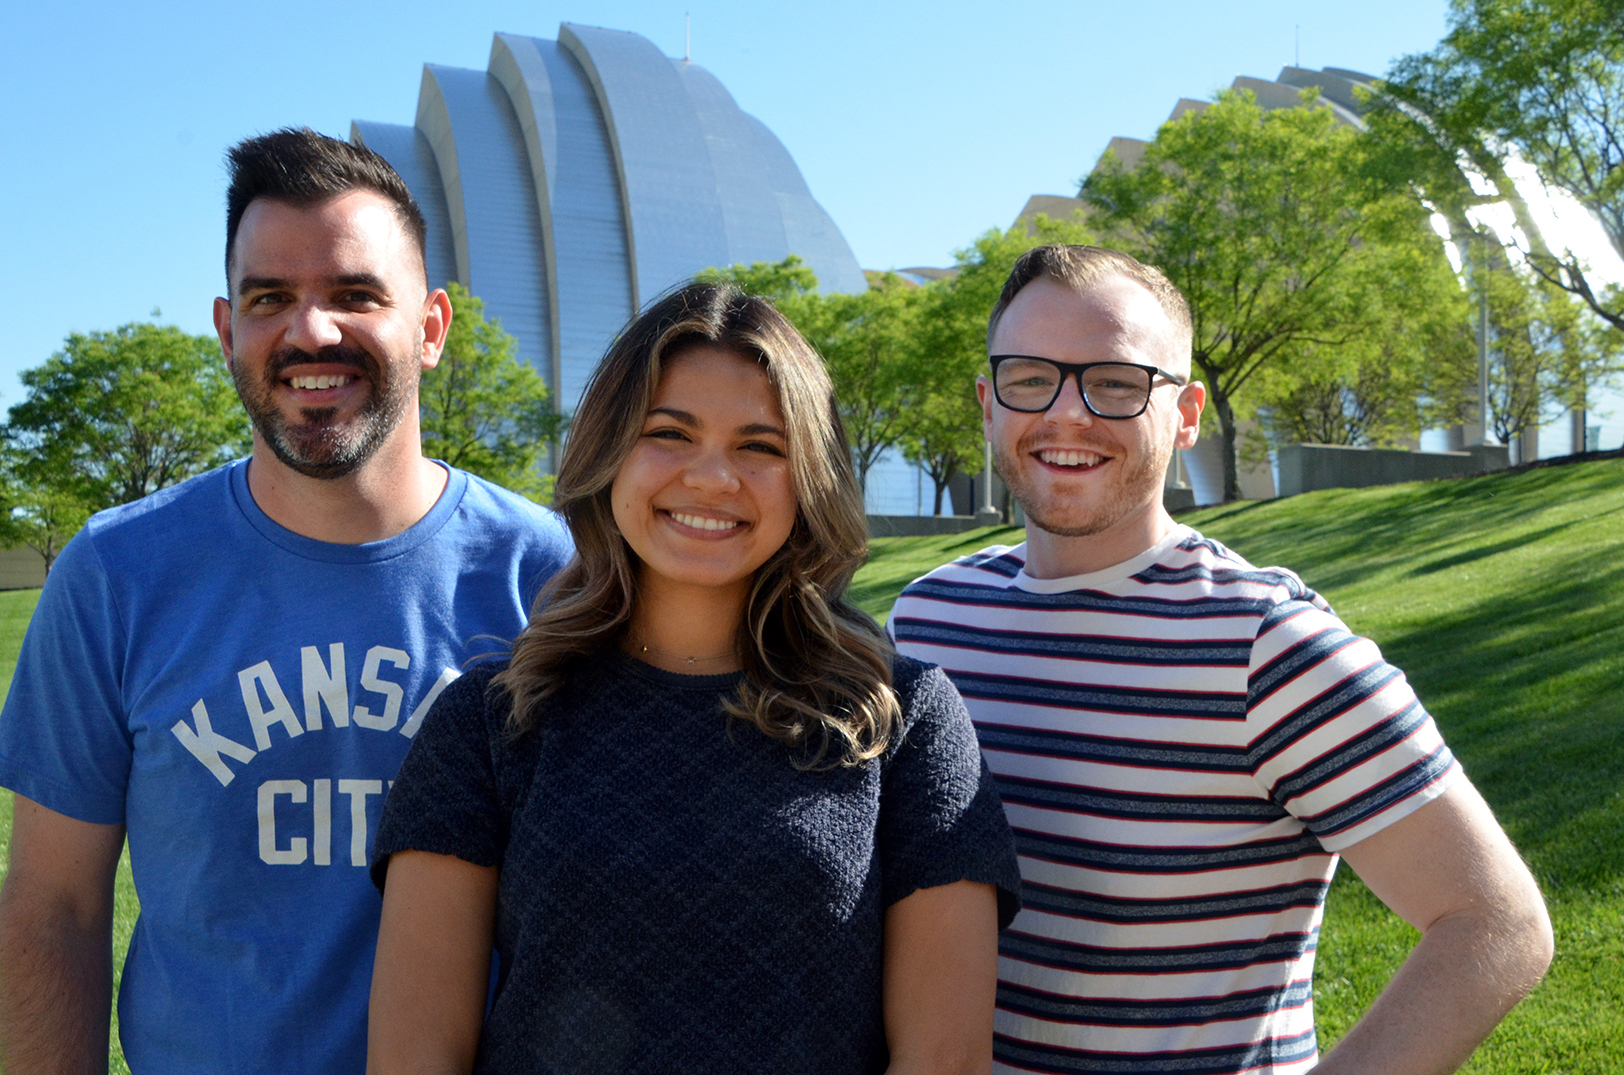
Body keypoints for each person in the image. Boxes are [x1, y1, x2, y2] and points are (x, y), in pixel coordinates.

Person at [889, 245, 1553, 1075]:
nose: (1067, 413)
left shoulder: (1266, 645)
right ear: (989, 402)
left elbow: (1497, 920)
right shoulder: (927, 619)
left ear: (1187, 411)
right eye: (1031, 378)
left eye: (1118, 382)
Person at [0, 128, 573, 1074]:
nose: (311, 332)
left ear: (430, 329)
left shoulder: (550, 575)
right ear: (228, 330)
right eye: (272, 299)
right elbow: (52, 908)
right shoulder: (114, 574)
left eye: (355, 295)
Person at [365, 281, 1022, 1075]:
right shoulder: (488, 720)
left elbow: (944, 1058)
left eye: (761, 445)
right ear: (609, 453)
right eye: (669, 433)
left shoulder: (906, 719)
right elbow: (415, 1055)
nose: (713, 478)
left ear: (810, 477)